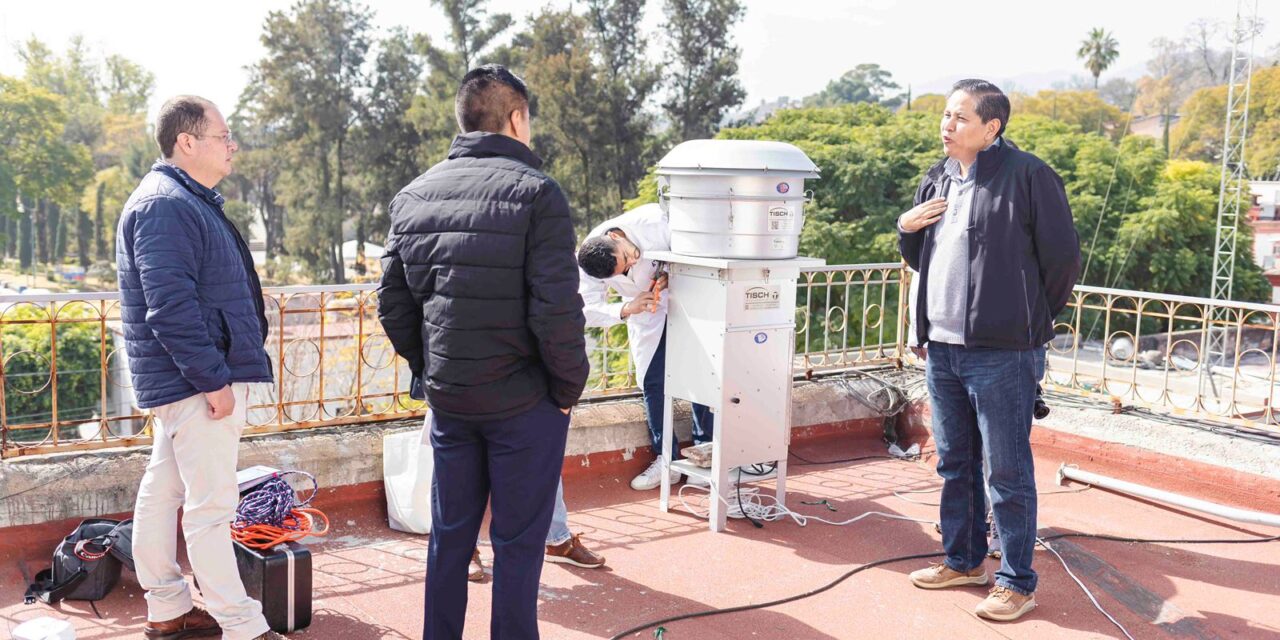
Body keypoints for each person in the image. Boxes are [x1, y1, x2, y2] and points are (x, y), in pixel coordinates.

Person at [377, 64, 589, 640]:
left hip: (451, 397)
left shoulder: (413, 196)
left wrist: (431, 368)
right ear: (517, 118)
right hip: (525, 401)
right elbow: (557, 309)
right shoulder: (538, 193)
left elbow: (393, 305)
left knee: (450, 536)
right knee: (518, 544)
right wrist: (567, 390)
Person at [897, 79, 1081, 622]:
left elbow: (1063, 260)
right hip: (944, 349)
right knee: (955, 461)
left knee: (1007, 471)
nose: (946, 125)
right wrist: (904, 227)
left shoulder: (1029, 176)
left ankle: (1017, 582)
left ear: (991, 127)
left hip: (1004, 352)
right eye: (945, 115)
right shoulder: (937, 177)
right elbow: (920, 255)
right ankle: (963, 560)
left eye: (959, 118)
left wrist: (1027, 324)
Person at [117, 96, 282, 640]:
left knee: (163, 491)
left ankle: (166, 608)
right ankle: (243, 625)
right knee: (211, 508)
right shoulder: (167, 204)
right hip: (197, 380)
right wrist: (214, 379)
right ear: (187, 142)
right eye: (223, 135)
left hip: (186, 378)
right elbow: (170, 307)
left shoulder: (182, 200)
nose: (232, 146)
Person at [576, 204, 715, 490]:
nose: (632, 263)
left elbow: (698, 249)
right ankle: (667, 461)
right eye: (624, 269)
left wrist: (672, 273)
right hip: (646, 317)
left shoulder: (654, 219)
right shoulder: (587, 261)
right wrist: (627, 307)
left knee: (702, 374)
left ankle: (706, 459)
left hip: (689, 301)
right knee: (653, 384)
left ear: (616, 236)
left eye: (627, 257)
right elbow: (585, 309)